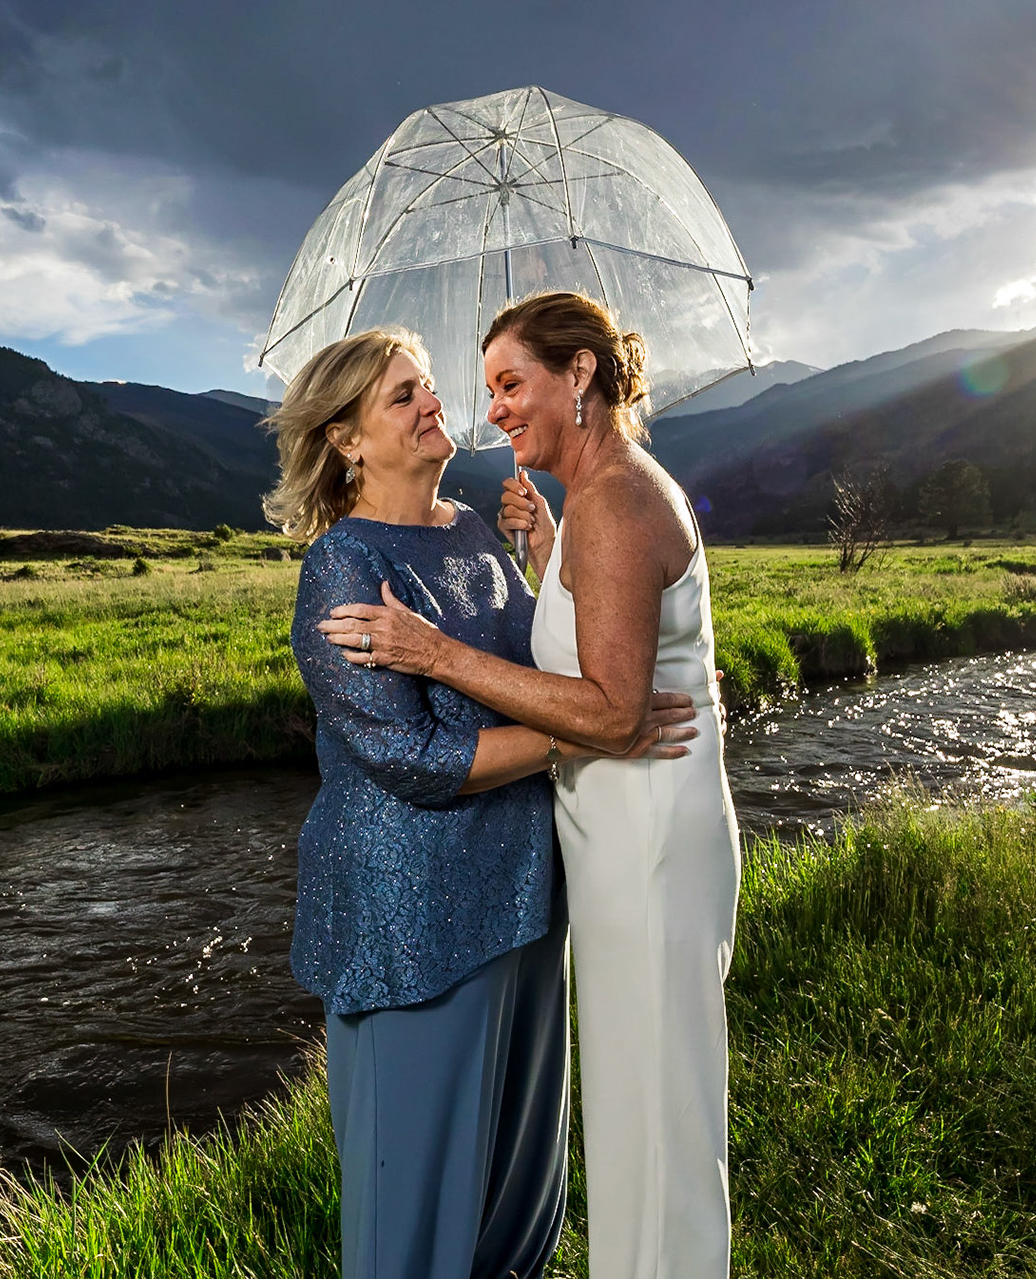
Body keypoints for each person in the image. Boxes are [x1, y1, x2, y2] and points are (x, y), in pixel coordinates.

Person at [317, 293, 742, 1279]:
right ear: (344, 442)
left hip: (636, 844)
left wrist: (437, 651)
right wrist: (551, 561)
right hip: (570, 858)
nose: (486, 409)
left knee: (650, 1113)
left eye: (511, 383)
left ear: (580, 374)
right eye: (481, 388)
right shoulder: (576, 512)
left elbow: (606, 709)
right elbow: (578, 665)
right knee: (639, 1102)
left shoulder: (615, 501)